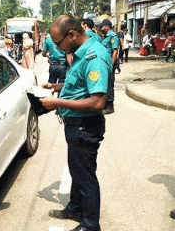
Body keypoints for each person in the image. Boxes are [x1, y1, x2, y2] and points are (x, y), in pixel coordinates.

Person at [40, 15, 111, 231]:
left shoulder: (94, 57)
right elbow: (80, 85)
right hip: (75, 124)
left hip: (85, 126)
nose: (58, 49)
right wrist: (56, 87)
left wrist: (57, 102)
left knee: (85, 175)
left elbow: (98, 101)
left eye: (58, 43)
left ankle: (90, 224)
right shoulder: (80, 53)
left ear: (72, 35)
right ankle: (75, 208)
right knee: (76, 170)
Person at [97, 19, 119, 114]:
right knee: (104, 85)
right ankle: (105, 104)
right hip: (104, 64)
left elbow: (115, 51)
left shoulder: (113, 36)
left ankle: (110, 106)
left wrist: (111, 65)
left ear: (107, 26)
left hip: (109, 64)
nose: (101, 28)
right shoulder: (104, 37)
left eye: (102, 27)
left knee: (109, 85)